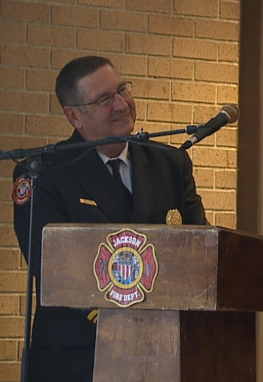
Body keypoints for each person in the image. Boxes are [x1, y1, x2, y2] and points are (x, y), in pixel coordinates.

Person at [12, 56, 207, 382]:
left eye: (122, 90)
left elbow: (199, 250)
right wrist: (126, 320)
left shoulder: (170, 163)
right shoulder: (44, 172)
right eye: (104, 99)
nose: (121, 104)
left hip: (160, 353)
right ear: (74, 116)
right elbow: (51, 267)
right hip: (76, 358)